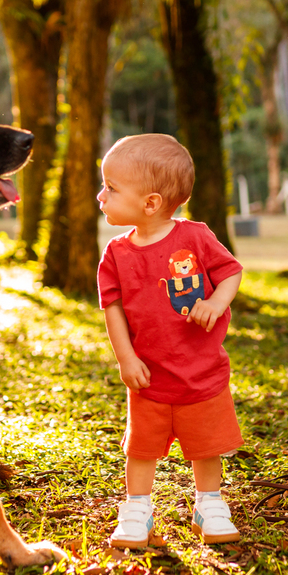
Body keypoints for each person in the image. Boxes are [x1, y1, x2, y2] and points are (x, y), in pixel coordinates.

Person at [96, 133, 245, 548]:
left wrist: (216, 301)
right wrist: (126, 359)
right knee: (141, 447)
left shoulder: (195, 237)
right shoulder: (115, 255)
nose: (101, 196)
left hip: (201, 370)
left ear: (151, 202)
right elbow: (113, 310)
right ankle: (137, 509)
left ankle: (209, 503)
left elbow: (230, 271)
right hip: (149, 374)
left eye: (111, 188)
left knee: (206, 444)